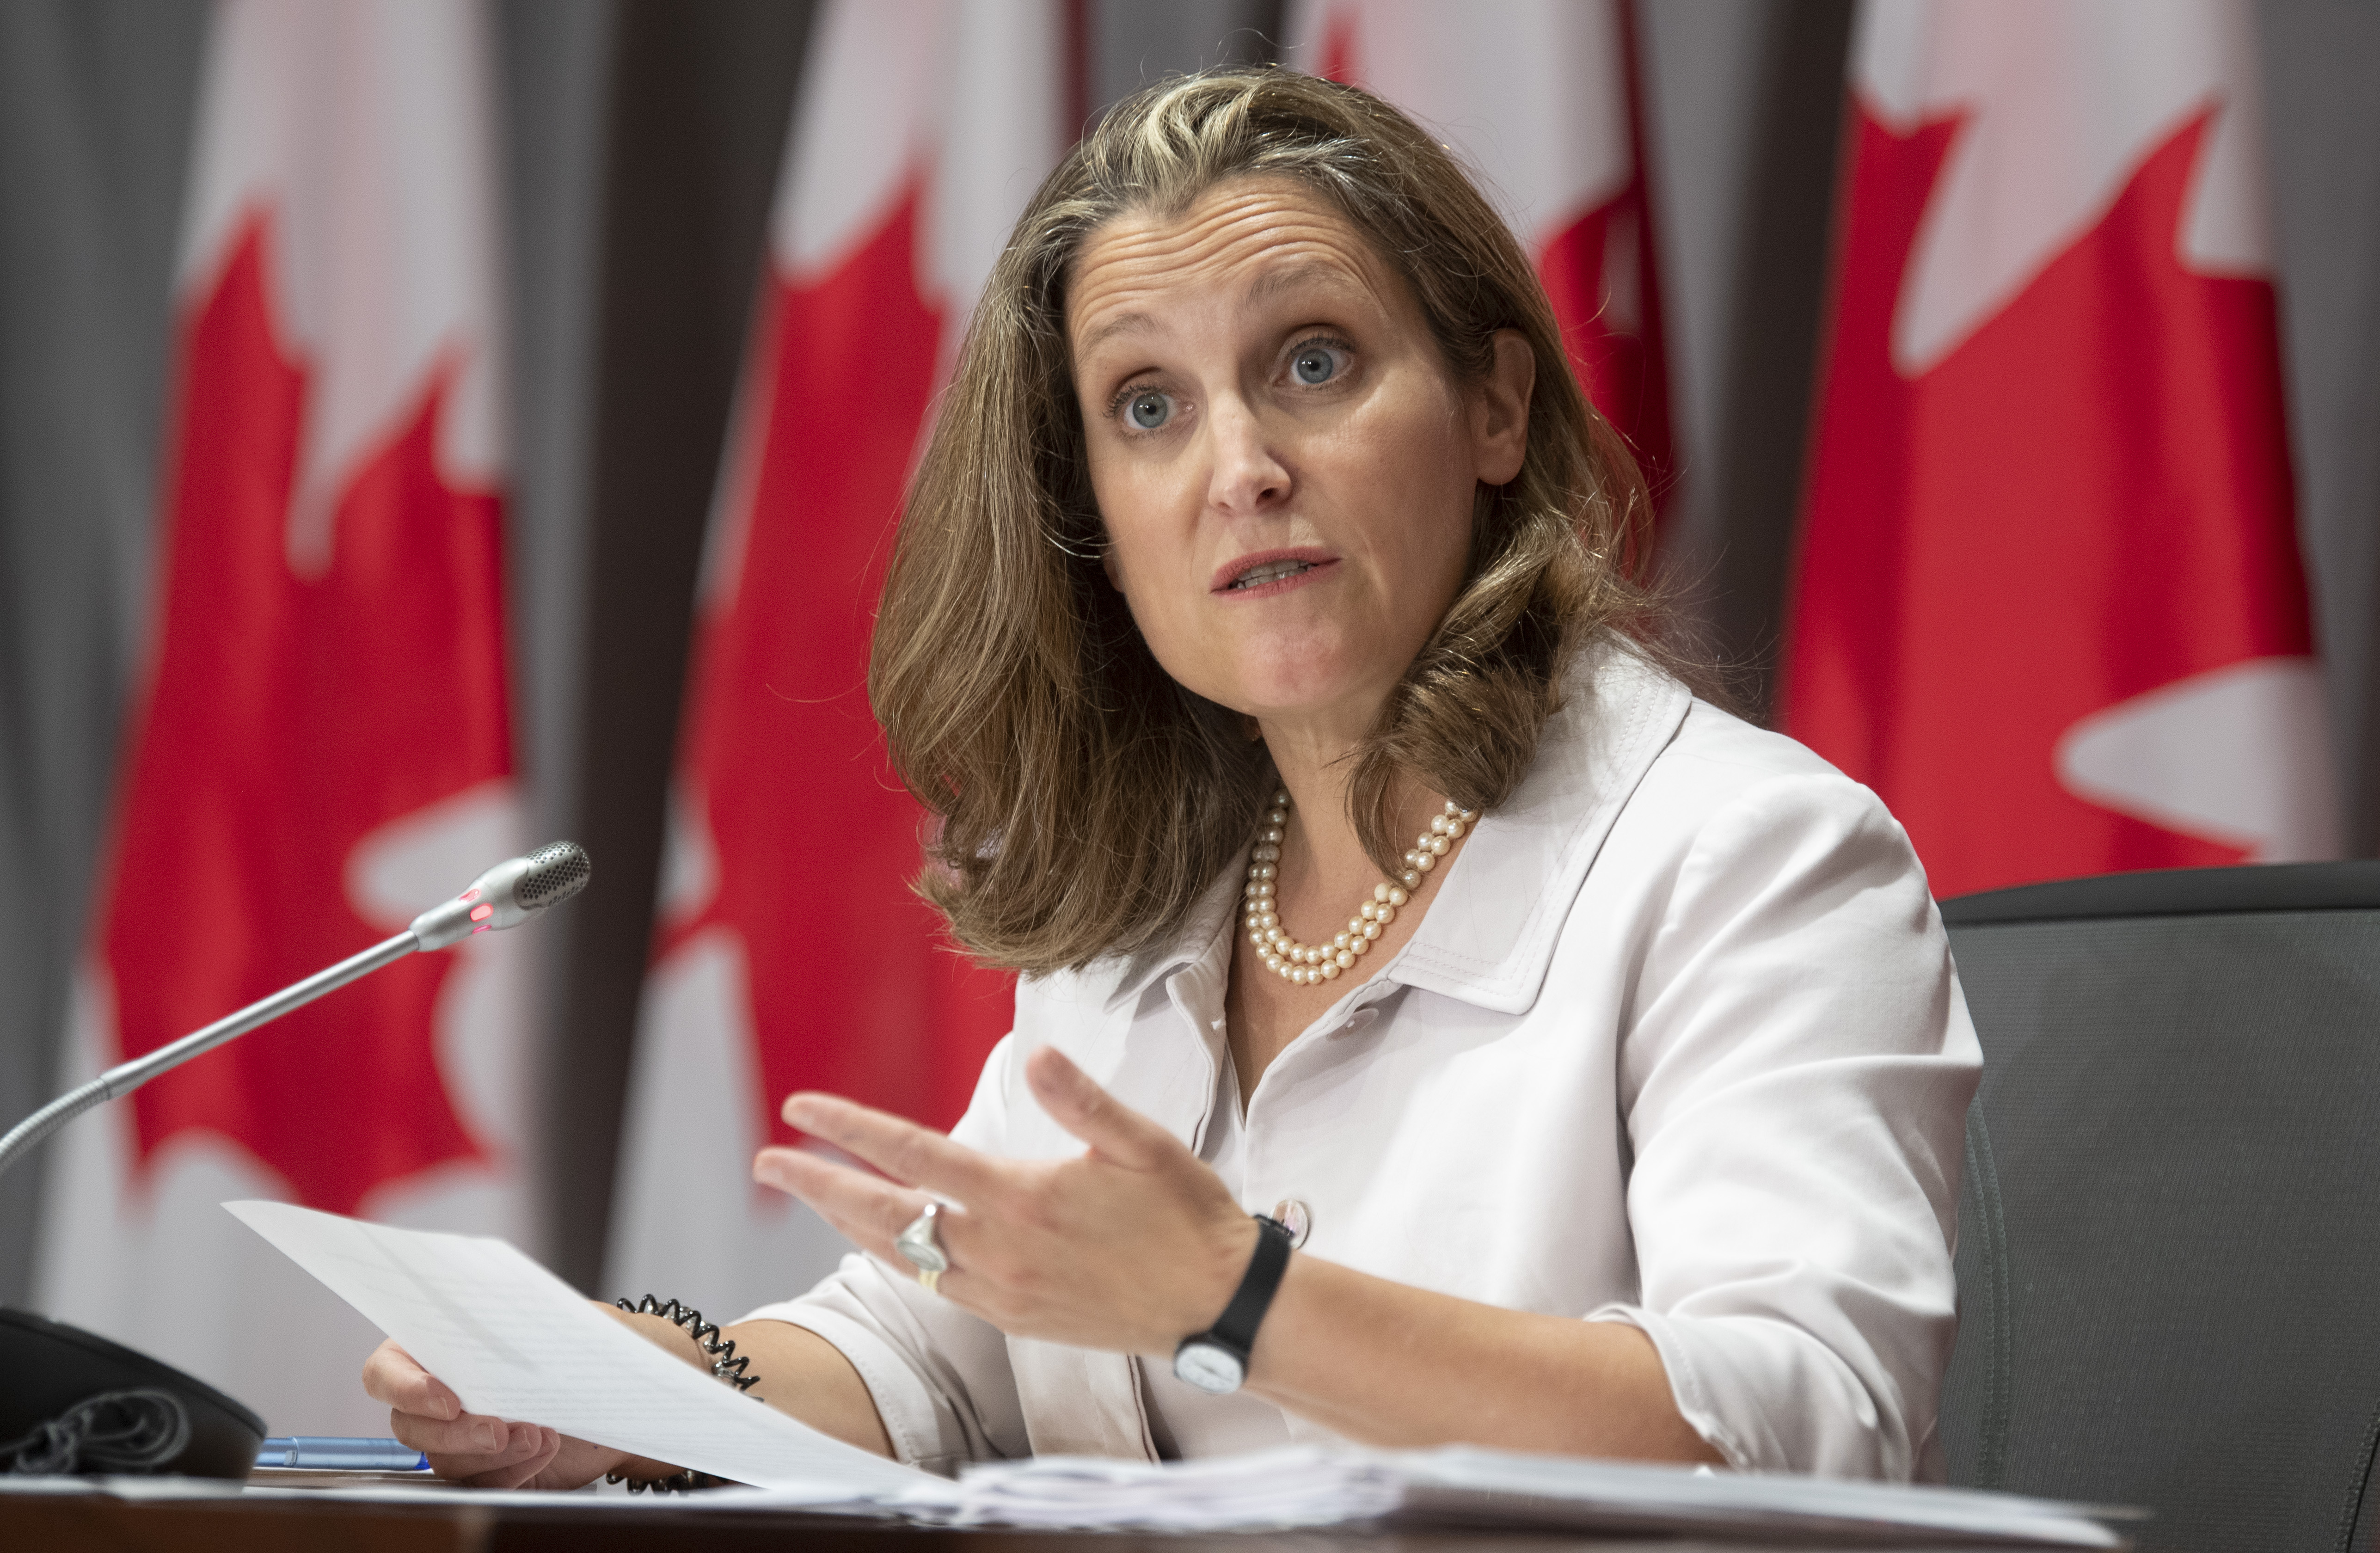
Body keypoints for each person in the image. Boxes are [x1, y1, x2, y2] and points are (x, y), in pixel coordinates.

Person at [365, 66, 1980, 1487]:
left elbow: (1805, 1418)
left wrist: (1238, 1298)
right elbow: (937, 1356)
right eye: (1148, 407)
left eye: (1314, 364)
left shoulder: (1750, 857)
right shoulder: (1161, 900)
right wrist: (609, 1390)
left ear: (1493, 407)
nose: (1240, 470)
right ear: (1093, 511)